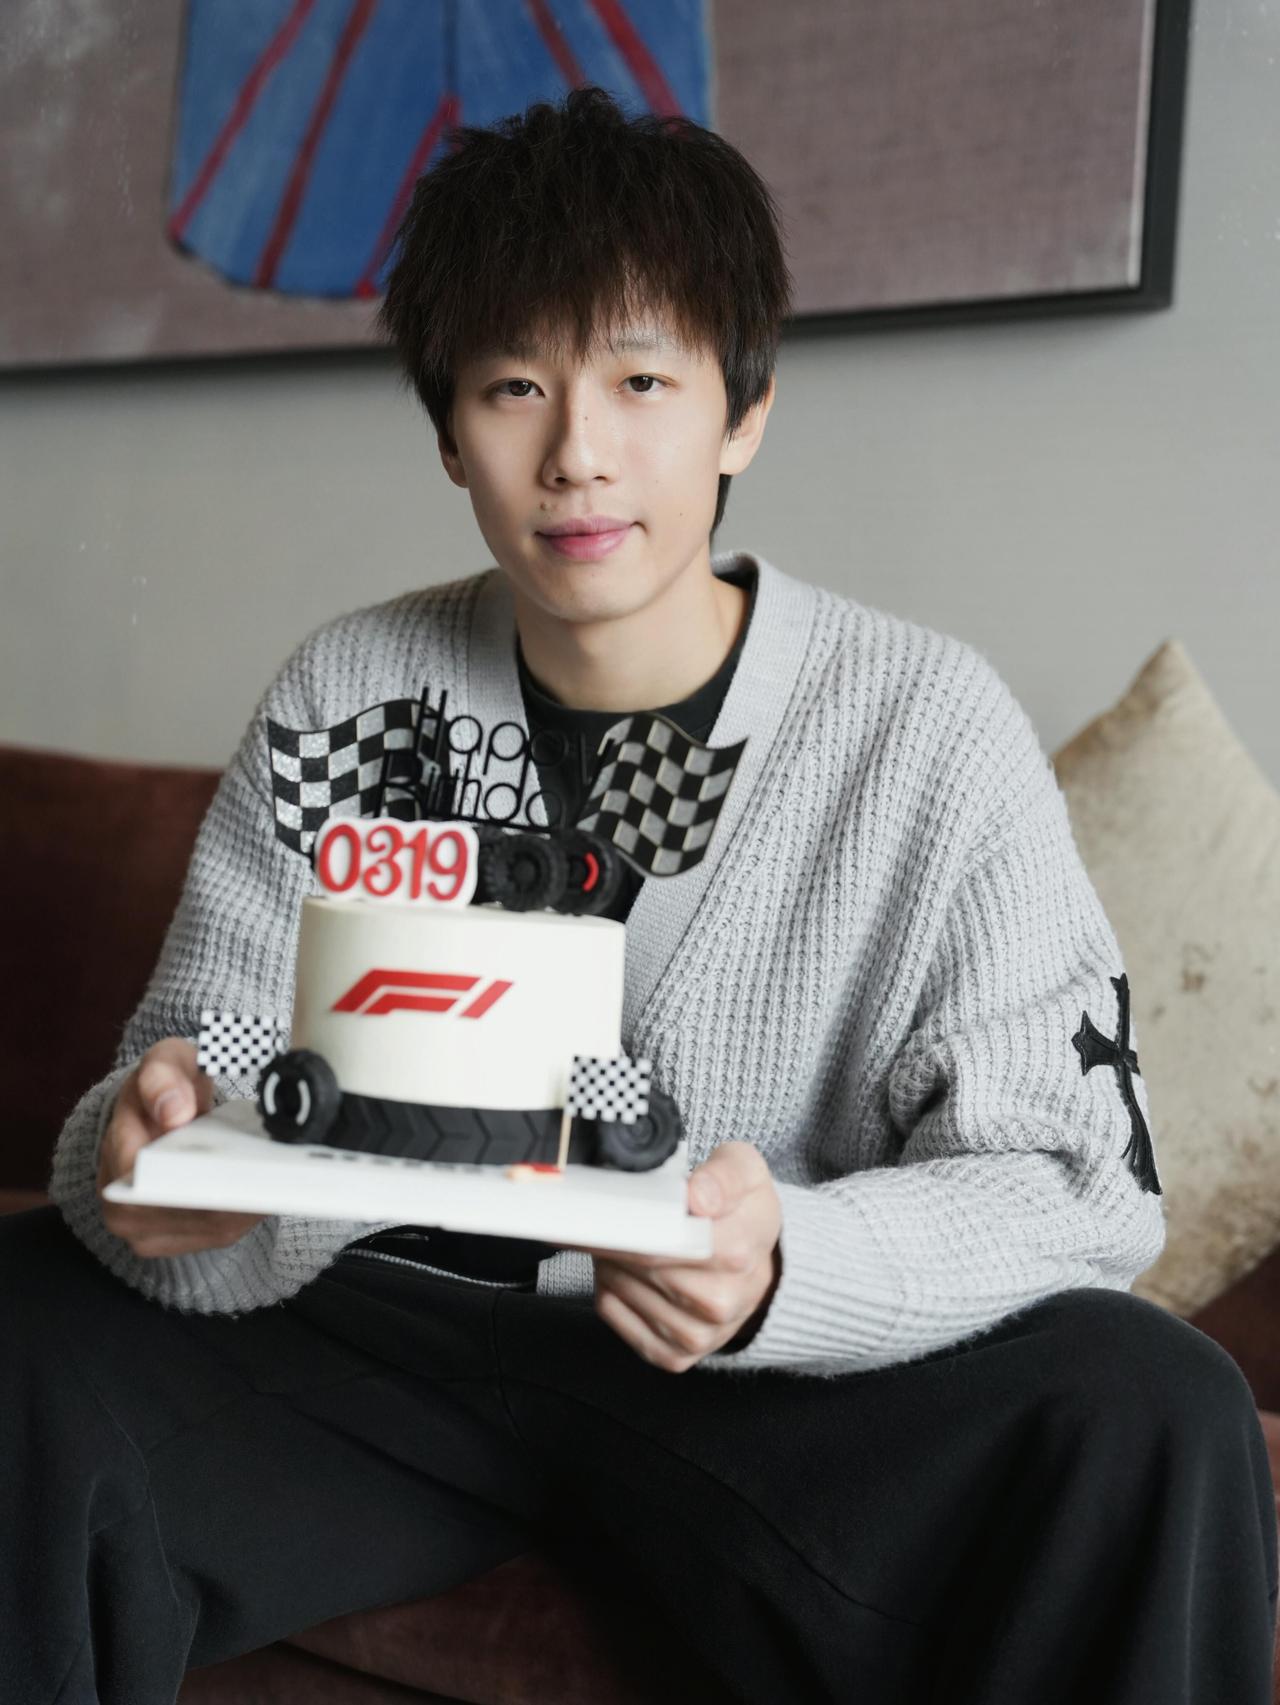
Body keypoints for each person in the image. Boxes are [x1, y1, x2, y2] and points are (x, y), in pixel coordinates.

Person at [4, 85, 1276, 1705]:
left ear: (745, 411)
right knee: (25, 1316)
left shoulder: (923, 727)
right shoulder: (350, 693)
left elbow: (1076, 1182)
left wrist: (789, 1261)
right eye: (515, 387)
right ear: (449, 433)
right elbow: (190, 1076)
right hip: (384, 1338)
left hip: (754, 1372)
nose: (578, 453)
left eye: (641, 380)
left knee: (1154, 1403)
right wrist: (152, 1163)